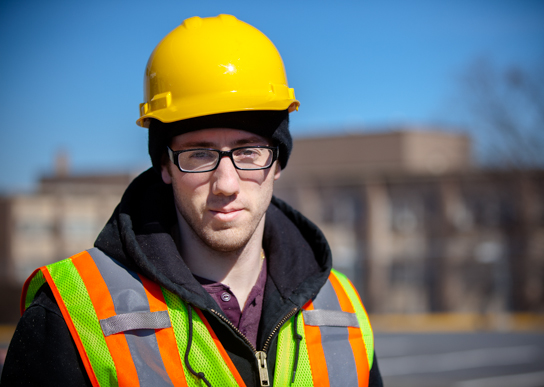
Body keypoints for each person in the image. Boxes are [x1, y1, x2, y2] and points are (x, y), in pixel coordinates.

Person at [1, 14, 382, 386]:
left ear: (278, 161)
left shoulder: (341, 307)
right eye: (199, 154)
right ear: (165, 166)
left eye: (248, 151)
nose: (226, 183)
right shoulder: (73, 316)